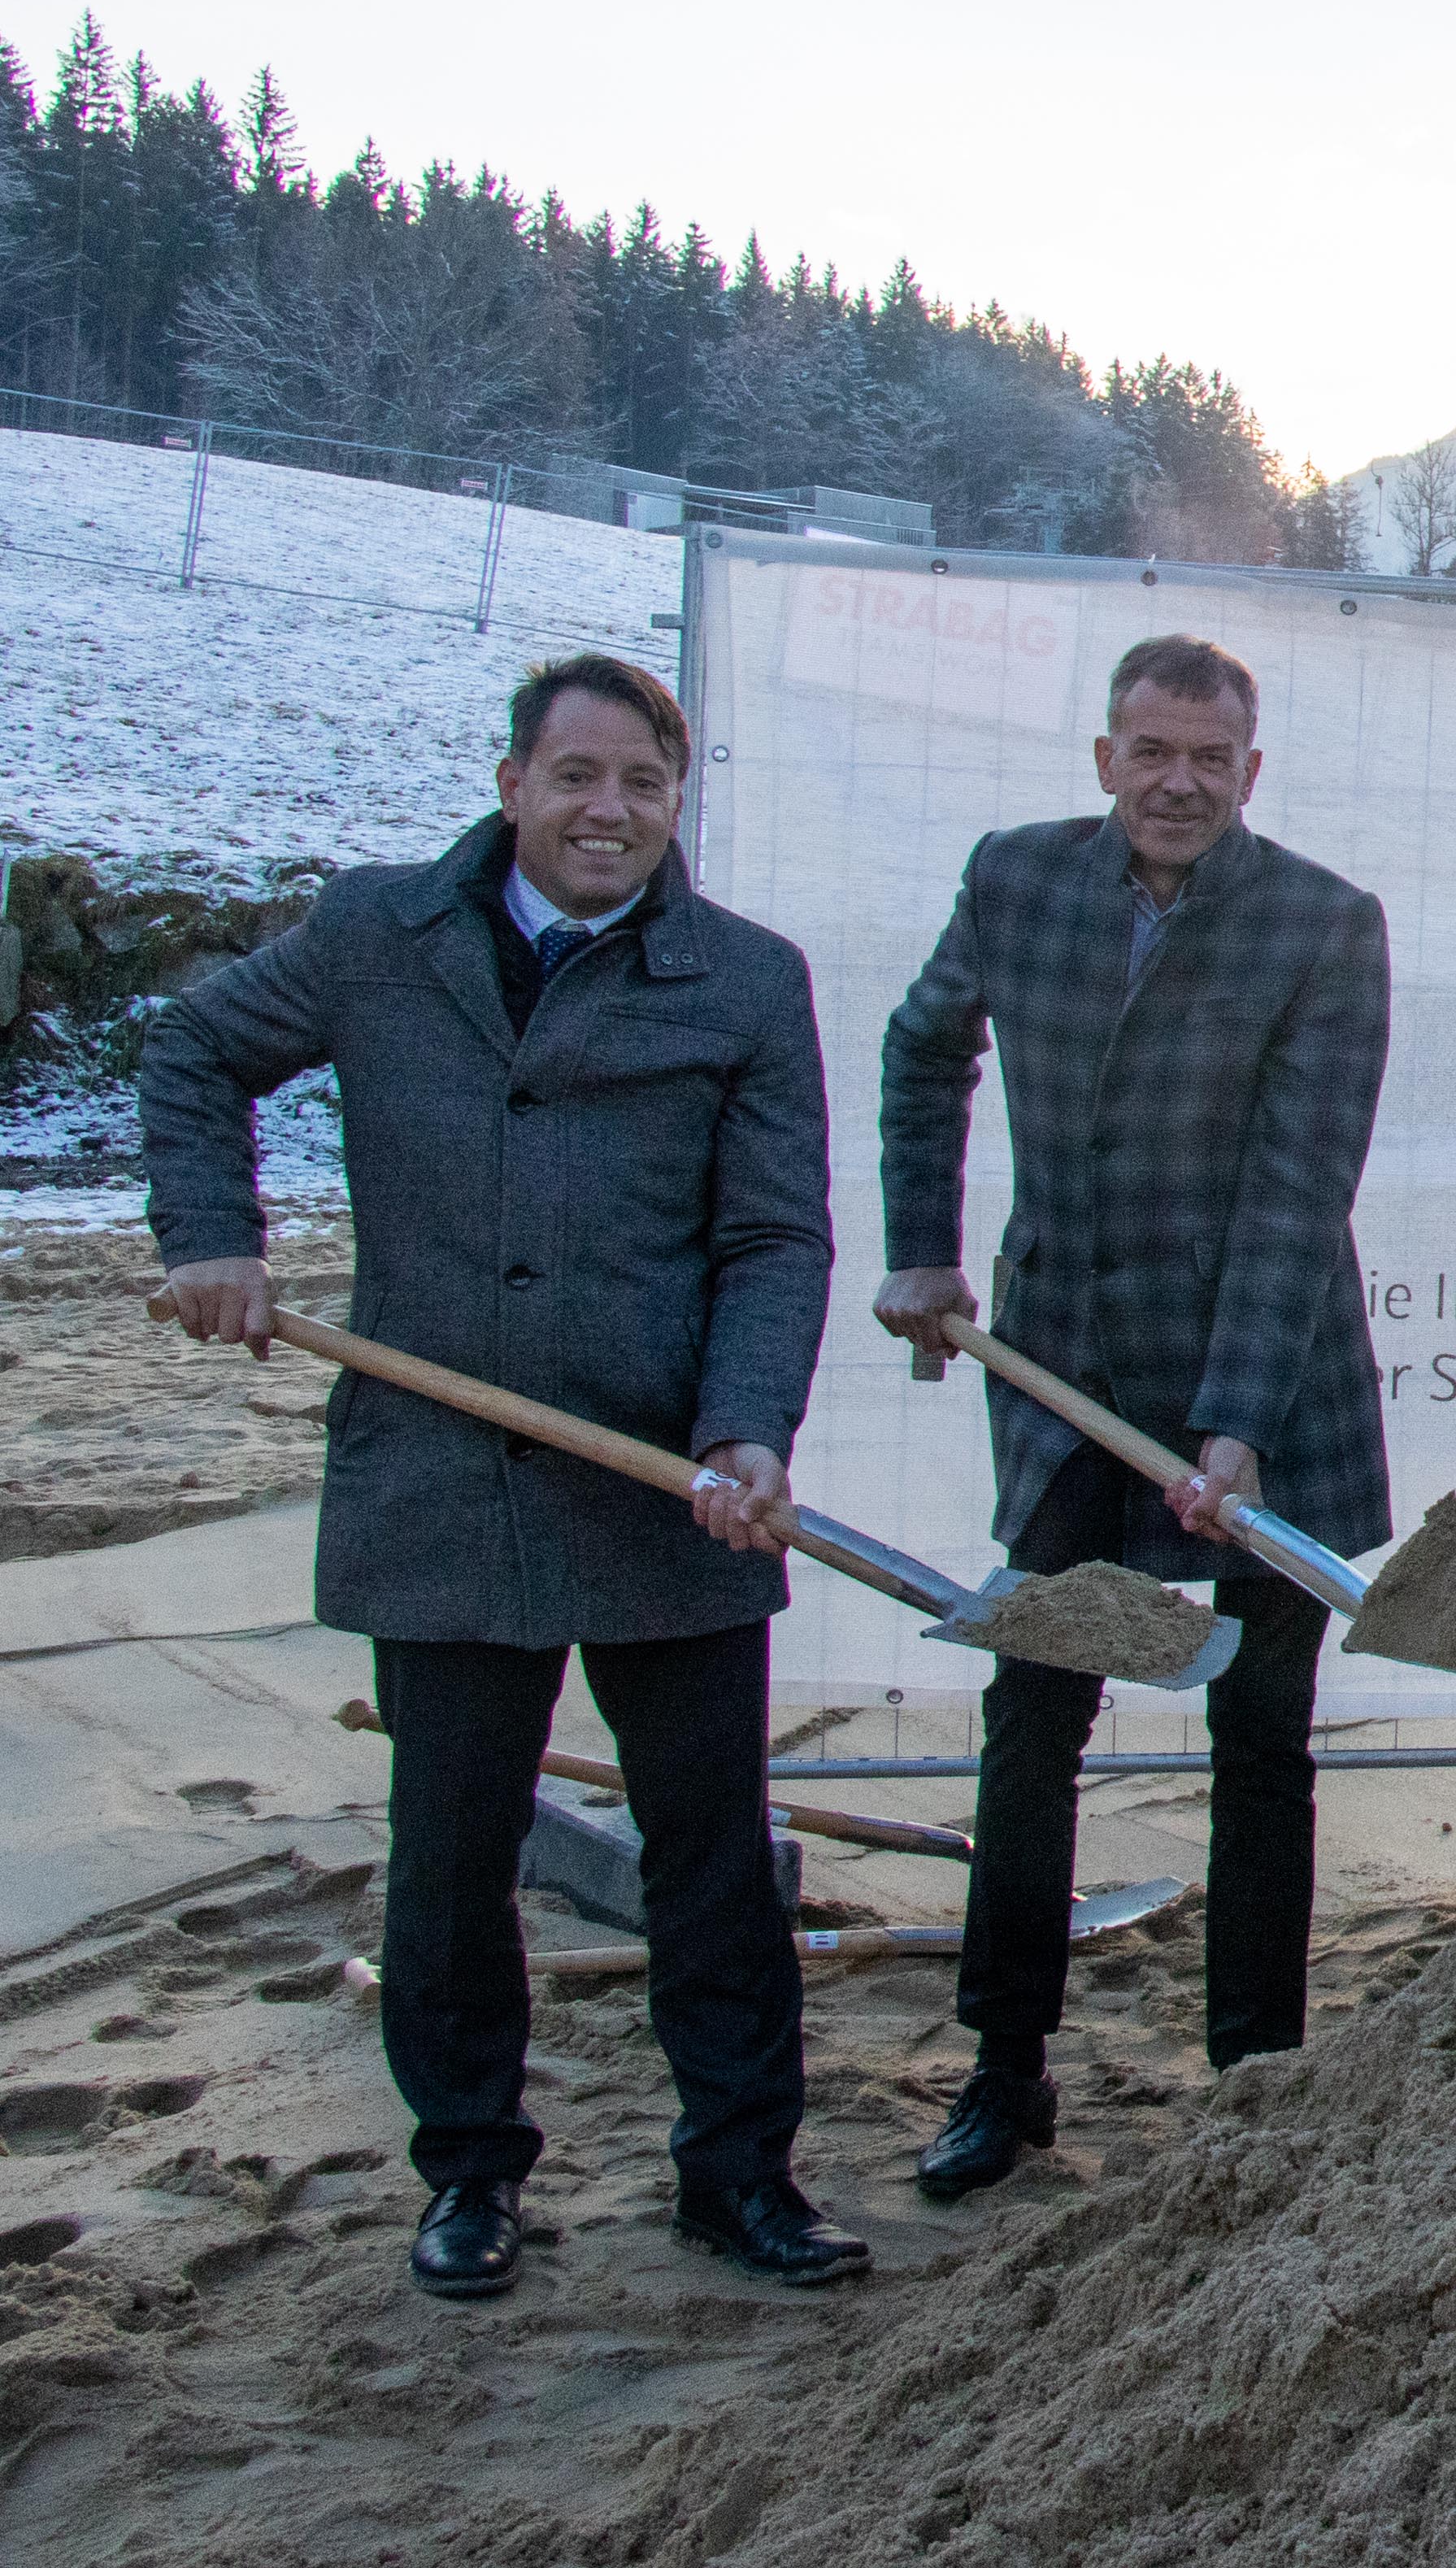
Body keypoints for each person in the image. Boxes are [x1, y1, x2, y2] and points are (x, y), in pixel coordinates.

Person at [141, 654, 862, 2296]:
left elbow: (774, 1235)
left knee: (711, 1853)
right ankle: (469, 2171)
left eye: (645, 783)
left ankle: (739, 2171)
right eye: (578, 775)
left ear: (678, 802)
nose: (610, 810)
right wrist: (213, 1235)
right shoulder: (373, 935)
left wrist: (747, 1426)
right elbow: (192, 1051)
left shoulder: (746, 980)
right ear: (513, 781)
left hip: (666, 1482)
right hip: (441, 1473)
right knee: (454, 1851)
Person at [868, 633, 1393, 2203]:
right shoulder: (1017, 880)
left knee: (1263, 1733)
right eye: (1150, 752)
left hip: (1272, 1377)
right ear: (1106, 758)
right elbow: (923, 1048)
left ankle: (1254, 2080)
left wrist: (1235, 1422)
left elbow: (1300, 1189)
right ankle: (1005, 2067)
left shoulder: (1322, 924)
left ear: (1251, 771)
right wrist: (921, 1243)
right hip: (1069, 1373)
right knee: (1033, 1718)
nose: (1178, 783)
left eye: (1209, 759)